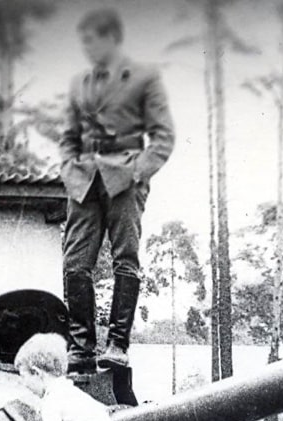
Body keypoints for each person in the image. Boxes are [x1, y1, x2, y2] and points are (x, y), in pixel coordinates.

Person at [59, 7, 175, 372]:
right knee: (75, 262)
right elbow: (67, 137)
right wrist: (69, 169)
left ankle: (118, 344)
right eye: (84, 43)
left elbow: (163, 137)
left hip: (125, 178)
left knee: (126, 257)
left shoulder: (144, 77)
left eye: (92, 41)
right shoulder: (79, 83)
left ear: (112, 38)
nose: (88, 49)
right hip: (84, 181)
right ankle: (81, 348)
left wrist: (138, 173)